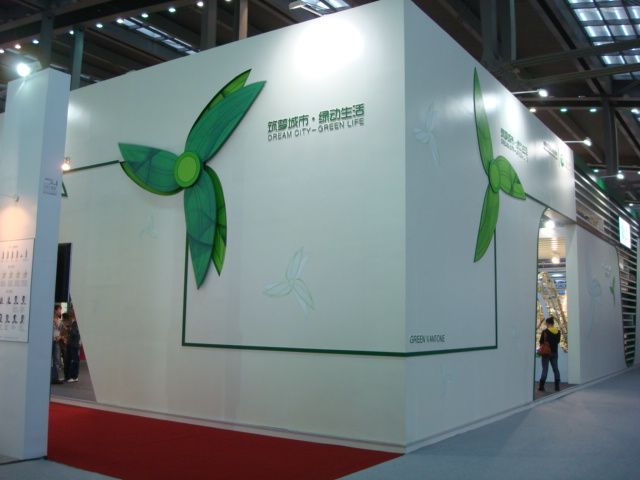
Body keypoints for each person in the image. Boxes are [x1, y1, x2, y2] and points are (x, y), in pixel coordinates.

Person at [538, 316, 561, 392]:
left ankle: (541, 386)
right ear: (553, 323)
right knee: (555, 369)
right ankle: (557, 387)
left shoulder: (545, 332)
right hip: (554, 353)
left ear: (548, 323)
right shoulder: (558, 332)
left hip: (546, 353)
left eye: (546, 323)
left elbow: (541, 342)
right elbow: (557, 341)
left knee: (545, 369)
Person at [64, 311, 81, 383]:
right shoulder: (75, 324)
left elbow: (74, 333)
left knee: (73, 360)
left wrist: (69, 330)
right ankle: (75, 376)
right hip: (75, 344)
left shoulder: (74, 324)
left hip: (73, 345)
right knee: (75, 360)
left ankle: (72, 376)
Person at [51, 305, 64, 384]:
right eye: (59, 310)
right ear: (55, 310)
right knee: (50, 360)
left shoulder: (60, 321)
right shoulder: (50, 319)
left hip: (57, 341)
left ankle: (56, 378)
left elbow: (63, 332)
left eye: (60, 310)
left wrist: (60, 336)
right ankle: (51, 377)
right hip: (50, 341)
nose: (60, 311)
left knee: (57, 359)